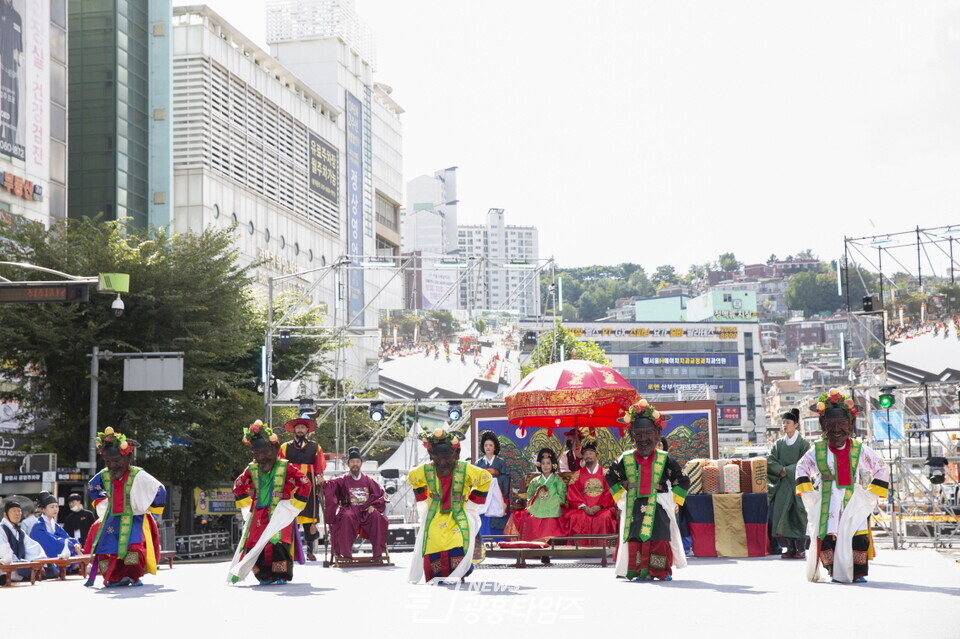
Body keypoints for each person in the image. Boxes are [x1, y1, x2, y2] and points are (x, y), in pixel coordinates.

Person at [796, 390, 889, 583]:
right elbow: (801, 467)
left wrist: (870, 494)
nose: (836, 429)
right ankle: (833, 571)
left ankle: (858, 572)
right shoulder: (817, 449)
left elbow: (881, 467)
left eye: (842, 424)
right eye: (831, 425)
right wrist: (809, 494)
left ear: (850, 425)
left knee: (858, 534)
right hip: (827, 498)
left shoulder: (859, 448)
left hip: (852, 497)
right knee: (827, 535)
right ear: (824, 425)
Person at [607, 399, 689, 581]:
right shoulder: (625, 458)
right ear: (632, 436)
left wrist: (672, 500)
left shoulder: (665, 458)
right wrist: (623, 492)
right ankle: (638, 571)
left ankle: (660, 571)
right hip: (634, 505)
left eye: (648, 433)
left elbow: (682, 479)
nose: (643, 439)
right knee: (636, 538)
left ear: (657, 434)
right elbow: (610, 476)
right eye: (638, 434)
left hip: (658, 505)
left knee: (659, 538)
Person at [228, 420, 312, 585]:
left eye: (266, 452)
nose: (262, 457)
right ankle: (263, 576)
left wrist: (292, 505)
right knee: (254, 543)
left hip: (279, 510)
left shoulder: (285, 467)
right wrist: (247, 506)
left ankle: (280, 575)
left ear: (275, 450)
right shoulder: (252, 468)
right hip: (258, 512)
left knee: (277, 543)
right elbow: (238, 485)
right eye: (257, 453)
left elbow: (305, 483)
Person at [407, 428, 491, 583]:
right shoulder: (427, 469)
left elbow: (486, 478)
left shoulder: (464, 468)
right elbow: (412, 477)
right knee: (433, 538)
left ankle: (457, 574)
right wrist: (424, 501)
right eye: (437, 458)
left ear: (456, 454)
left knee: (458, 538)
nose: (442, 462)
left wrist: (471, 504)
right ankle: (436, 575)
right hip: (435, 514)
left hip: (459, 512)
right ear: (431, 456)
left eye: (447, 457)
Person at [85, 427, 166, 587]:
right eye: (108, 461)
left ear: (127, 457)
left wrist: (148, 510)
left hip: (134, 518)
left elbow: (159, 489)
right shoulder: (104, 475)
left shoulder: (138, 474)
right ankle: (114, 577)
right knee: (106, 549)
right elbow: (92, 487)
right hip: (112, 518)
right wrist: (103, 503)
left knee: (134, 548)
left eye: (116, 460)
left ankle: (132, 575)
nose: (112, 465)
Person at [323, 447, 389, 559]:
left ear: (361, 463)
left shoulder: (368, 480)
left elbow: (379, 493)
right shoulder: (342, 479)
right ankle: (346, 554)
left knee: (377, 517)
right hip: (350, 509)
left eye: (357, 462)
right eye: (352, 462)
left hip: (365, 510)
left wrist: (374, 505)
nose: (355, 464)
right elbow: (330, 485)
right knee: (346, 517)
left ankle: (378, 553)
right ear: (348, 464)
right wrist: (323, 483)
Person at [279, 416, 327, 561]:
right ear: (294, 430)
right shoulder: (285, 447)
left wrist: (320, 476)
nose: (300, 430)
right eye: (298, 427)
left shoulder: (315, 446)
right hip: (291, 483)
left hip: (309, 483)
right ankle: (289, 550)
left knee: (309, 516)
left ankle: (310, 551)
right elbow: (280, 465)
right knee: (289, 516)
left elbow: (320, 465)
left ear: (307, 430)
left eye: (303, 427)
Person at [767, 408, 810, 559]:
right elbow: (770, 459)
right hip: (783, 484)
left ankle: (801, 548)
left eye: (788, 422)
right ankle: (790, 547)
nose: (784, 425)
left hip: (799, 483)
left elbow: (806, 462)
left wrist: (787, 469)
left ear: (796, 425)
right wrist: (780, 470)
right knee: (783, 515)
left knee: (799, 514)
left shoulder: (803, 444)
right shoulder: (778, 444)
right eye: (783, 422)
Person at [562, 437, 618, 543]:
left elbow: (609, 492)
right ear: (583, 457)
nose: (588, 456)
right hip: (584, 508)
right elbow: (573, 493)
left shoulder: (606, 473)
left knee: (604, 517)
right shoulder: (577, 475)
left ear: (596, 456)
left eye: (591, 453)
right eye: (585, 454)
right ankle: (580, 548)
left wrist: (599, 506)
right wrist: (584, 507)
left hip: (602, 507)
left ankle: (602, 546)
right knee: (576, 517)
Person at [520, 448, 567, 541]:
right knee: (531, 519)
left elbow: (562, 496)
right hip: (538, 508)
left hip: (553, 509)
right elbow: (530, 496)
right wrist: (534, 504)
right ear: (539, 465)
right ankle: (534, 543)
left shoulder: (557, 480)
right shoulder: (535, 481)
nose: (545, 466)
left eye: (548, 463)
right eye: (543, 463)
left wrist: (552, 502)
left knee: (550, 520)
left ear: (552, 465)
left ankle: (549, 542)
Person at [1, 499, 49, 584]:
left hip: (19, 567)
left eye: (19, 511)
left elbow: (32, 547)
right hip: (5, 570)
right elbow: (4, 552)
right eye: (14, 511)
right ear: (5, 514)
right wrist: (23, 563)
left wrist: (38, 562)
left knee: (48, 568)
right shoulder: (1, 529)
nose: (17, 514)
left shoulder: (20, 531)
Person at [29, 491, 82, 565]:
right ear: (43, 509)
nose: (55, 509)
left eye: (57, 506)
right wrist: (72, 546)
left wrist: (76, 543)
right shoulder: (38, 527)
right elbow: (54, 544)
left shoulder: (55, 525)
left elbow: (66, 537)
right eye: (52, 507)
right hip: (42, 559)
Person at [474, 430, 510, 536]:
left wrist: (495, 480)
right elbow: (475, 480)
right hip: (484, 495)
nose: (488, 447)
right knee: (482, 517)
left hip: (497, 495)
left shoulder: (500, 462)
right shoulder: (478, 463)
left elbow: (506, 478)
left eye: (490, 445)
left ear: (495, 447)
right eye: (486, 445)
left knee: (497, 518)